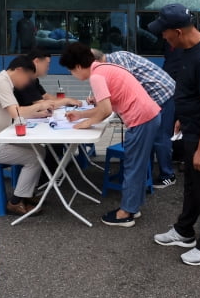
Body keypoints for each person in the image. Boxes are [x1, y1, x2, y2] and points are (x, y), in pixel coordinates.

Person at [149, 4, 200, 266]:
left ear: (178, 31)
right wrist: (183, 117)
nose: (163, 37)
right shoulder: (188, 50)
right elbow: (194, 93)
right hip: (193, 127)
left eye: (165, 33)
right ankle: (185, 231)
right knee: (193, 186)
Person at [59, 43, 162, 227]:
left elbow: (105, 111)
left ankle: (125, 214)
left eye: (71, 71)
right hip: (148, 116)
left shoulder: (96, 76)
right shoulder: (104, 68)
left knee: (132, 166)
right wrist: (81, 115)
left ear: (77, 66)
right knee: (135, 166)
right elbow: (104, 107)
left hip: (141, 119)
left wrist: (87, 123)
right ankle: (132, 207)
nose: (72, 75)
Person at [93, 49, 179, 189]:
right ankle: (147, 173)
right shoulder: (111, 63)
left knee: (160, 137)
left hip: (162, 94)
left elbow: (127, 88)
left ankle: (168, 175)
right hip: (151, 98)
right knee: (148, 137)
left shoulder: (116, 61)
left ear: (96, 62)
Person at [0, 57, 47, 216]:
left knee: (39, 150)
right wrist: (40, 106)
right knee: (34, 157)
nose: (27, 83)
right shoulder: (1, 82)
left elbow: (16, 113)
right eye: (28, 78)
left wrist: (38, 112)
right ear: (19, 71)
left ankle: (26, 195)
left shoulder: (3, 81)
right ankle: (15, 202)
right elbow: (16, 112)